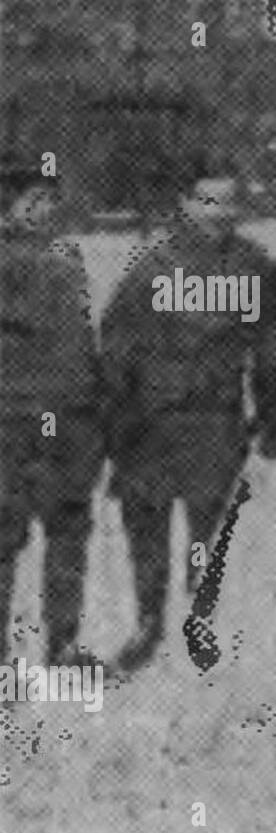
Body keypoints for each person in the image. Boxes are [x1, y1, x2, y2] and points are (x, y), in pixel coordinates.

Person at [100, 156, 276, 672]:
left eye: (227, 201)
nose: (218, 212)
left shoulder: (253, 266)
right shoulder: (153, 266)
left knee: (209, 529)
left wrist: (269, 418)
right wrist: (113, 423)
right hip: (151, 421)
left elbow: (269, 350)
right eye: (206, 201)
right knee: (147, 528)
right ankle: (147, 625)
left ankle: (199, 619)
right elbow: (116, 345)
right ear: (184, 203)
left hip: (214, 419)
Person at [0, 162, 102, 667]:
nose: (43, 210)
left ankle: (63, 646)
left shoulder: (65, 255)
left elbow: (80, 335)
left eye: (48, 200)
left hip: (68, 415)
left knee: (68, 528)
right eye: (30, 201)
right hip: (12, 418)